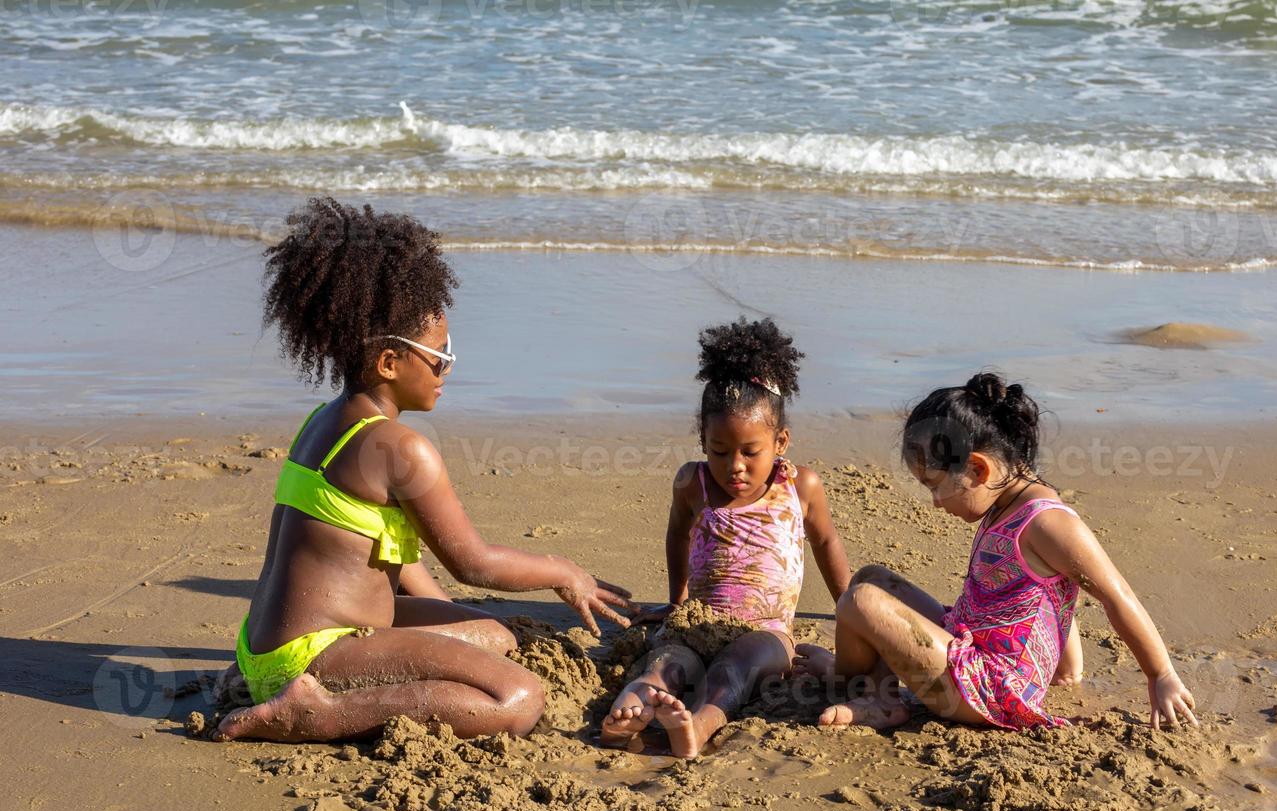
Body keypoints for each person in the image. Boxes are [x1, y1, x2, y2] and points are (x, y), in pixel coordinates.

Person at [216, 198, 634, 743]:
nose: (447, 367)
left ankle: (275, 686)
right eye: (438, 354)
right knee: (518, 698)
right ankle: (314, 714)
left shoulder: (325, 421)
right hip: (316, 653)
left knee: (491, 637)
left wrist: (448, 634)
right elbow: (473, 564)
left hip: (264, 647)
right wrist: (562, 570)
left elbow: (389, 555)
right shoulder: (400, 448)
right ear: (389, 362)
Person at [806, 372, 1197, 732]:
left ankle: (866, 691)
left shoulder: (1046, 522)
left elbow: (1116, 596)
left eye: (934, 486)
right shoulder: (1009, 502)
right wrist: (1067, 668)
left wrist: (1160, 673)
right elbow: (1057, 589)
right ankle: (865, 679)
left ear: (978, 470)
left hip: (989, 689)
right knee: (871, 578)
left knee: (861, 601)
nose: (935, 503)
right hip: (969, 647)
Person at [600, 317, 851, 757]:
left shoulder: (800, 487)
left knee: (734, 671)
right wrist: (677, 604)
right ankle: (631, 708)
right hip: (699, 621)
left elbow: (826, 543)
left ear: (781, 441)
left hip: (767, 631)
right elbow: (677, 535)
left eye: (750, 452)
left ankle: (698, 725)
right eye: (719, 451)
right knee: (667, 664)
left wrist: (848, 611)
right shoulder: (691, 484)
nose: (734, 465)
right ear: (703, 439)